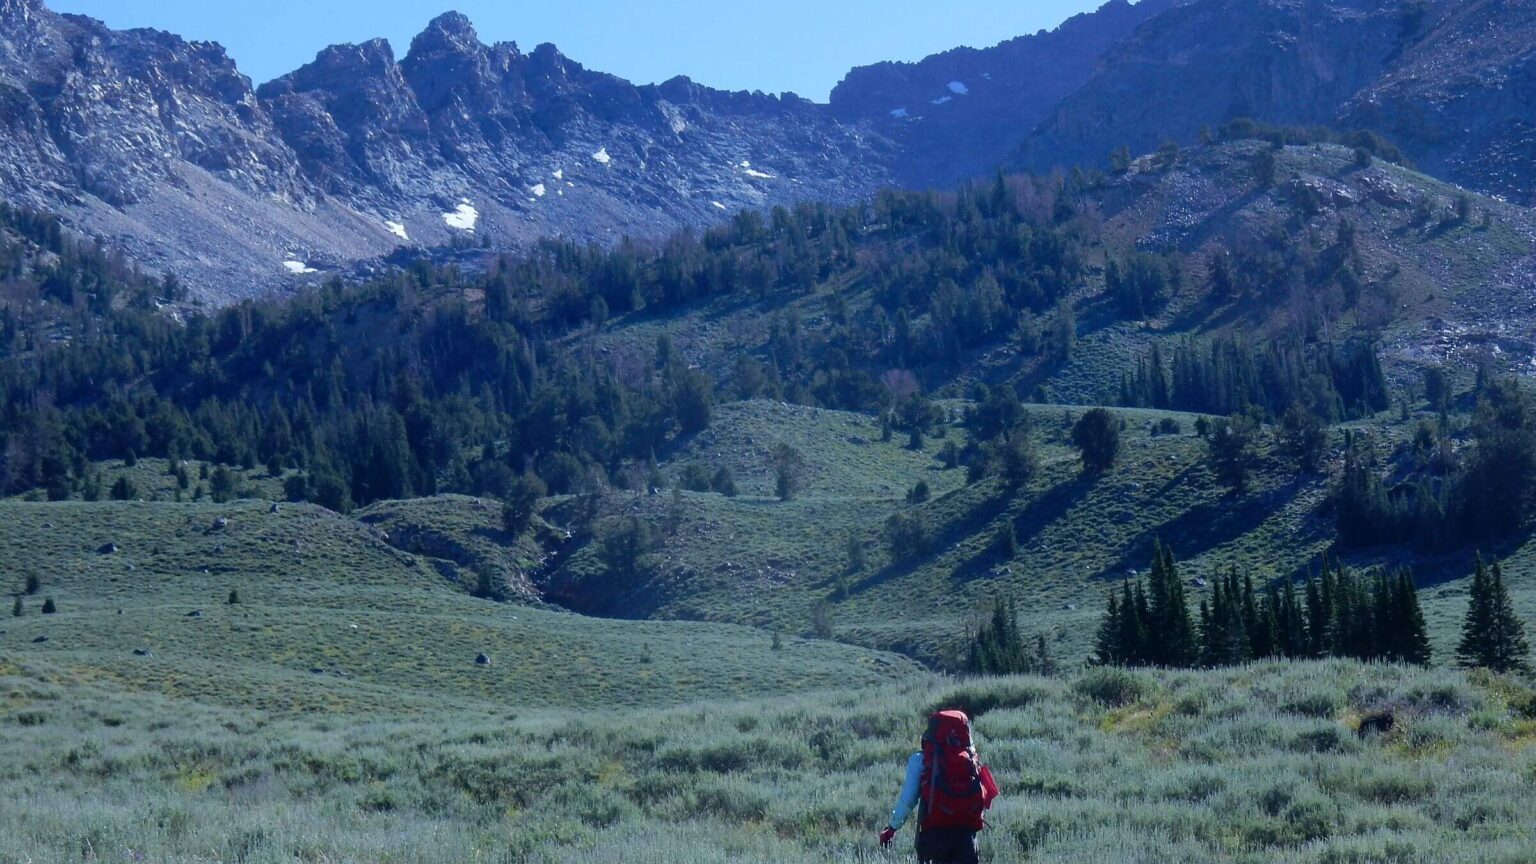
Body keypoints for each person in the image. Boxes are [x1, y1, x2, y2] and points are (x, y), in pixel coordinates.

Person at [878, 709, 997, 863]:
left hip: (934, 835)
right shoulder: (971, 759)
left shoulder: (921, 760)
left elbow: (908, 800)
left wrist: (892, 828)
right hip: (966, 837)